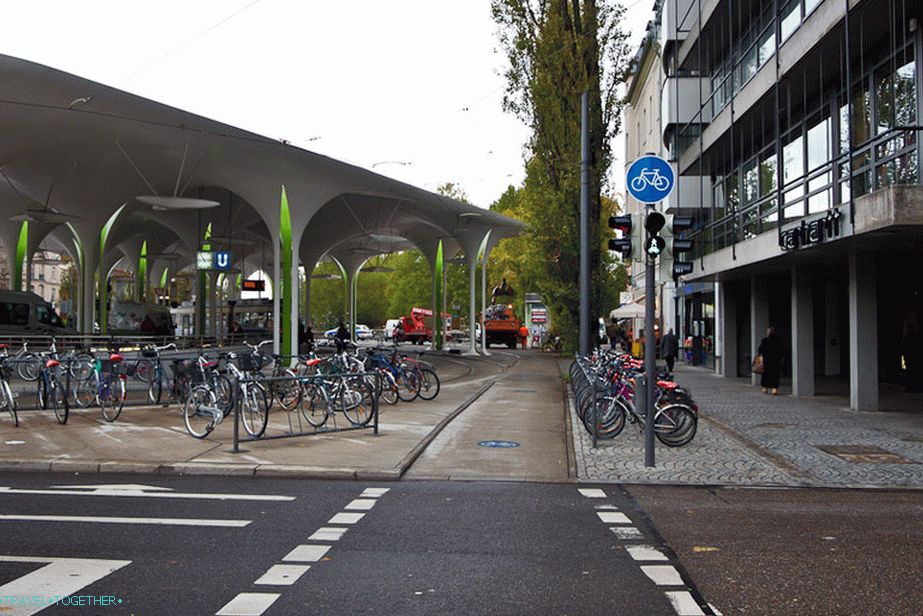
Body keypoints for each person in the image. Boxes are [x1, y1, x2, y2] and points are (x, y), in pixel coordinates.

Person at [757, 326, 784, 395]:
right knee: (775, 375)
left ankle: (765, 388)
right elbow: (781, 351)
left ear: (768, 332)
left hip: (766, 361)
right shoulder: (778, 340)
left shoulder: (765, 340)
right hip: (775, 361)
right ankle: (774, 389)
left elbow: (760, 350)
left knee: (765, 375)